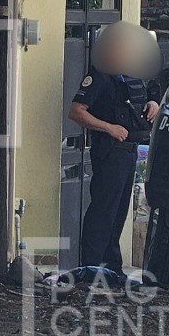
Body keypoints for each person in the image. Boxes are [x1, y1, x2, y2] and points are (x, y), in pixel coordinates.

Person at [68, 69, 160, 278]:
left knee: (118, 213)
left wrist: (153, 103)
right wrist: (108, 128)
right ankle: (91, 268)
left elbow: (150, 91)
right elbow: (75, 111)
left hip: (130, 150)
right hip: (109, 150)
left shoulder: (134, 72)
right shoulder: (100, 75)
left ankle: (112, 270)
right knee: (103, 211)